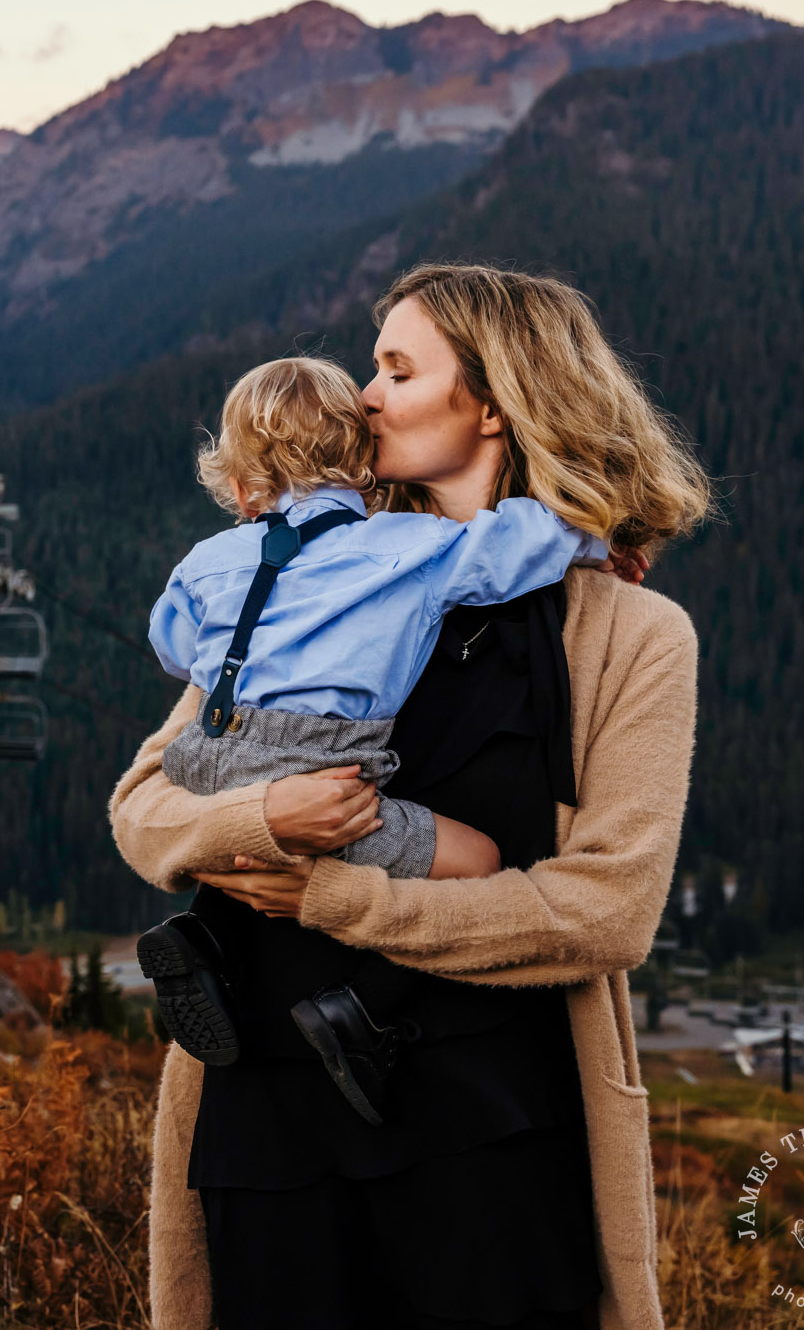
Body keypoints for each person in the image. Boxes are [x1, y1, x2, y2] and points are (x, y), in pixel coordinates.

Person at [110, 263, 711, 1330]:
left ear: (491, 400)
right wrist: (260, 822)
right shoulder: (297, 585)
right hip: (265, 1115)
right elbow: (145, 807)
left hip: (489, 1129)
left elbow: (605, 911)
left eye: (394, 367)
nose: (364, 394)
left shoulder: (627, 636)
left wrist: (331, 898)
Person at [137, 355, 613, 1122]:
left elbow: (173, 647)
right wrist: (595, 541)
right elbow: (517, 545)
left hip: (205, 761)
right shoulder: (410, 550)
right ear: (364, 464)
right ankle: (358, 1009)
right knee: (477, 860)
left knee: (244, 839)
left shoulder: (206, 560)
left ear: (239, 487)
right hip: (320, 772)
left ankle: (203, 941)